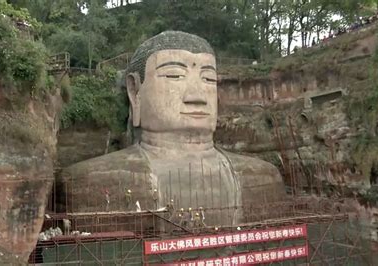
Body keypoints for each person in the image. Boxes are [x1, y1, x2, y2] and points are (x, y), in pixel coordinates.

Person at [59, 31, 286, 226]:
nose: (197, 96)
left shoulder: (261, 177)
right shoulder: (94, 180)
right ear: (134, 90)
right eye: (174, 75)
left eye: (208, 79)